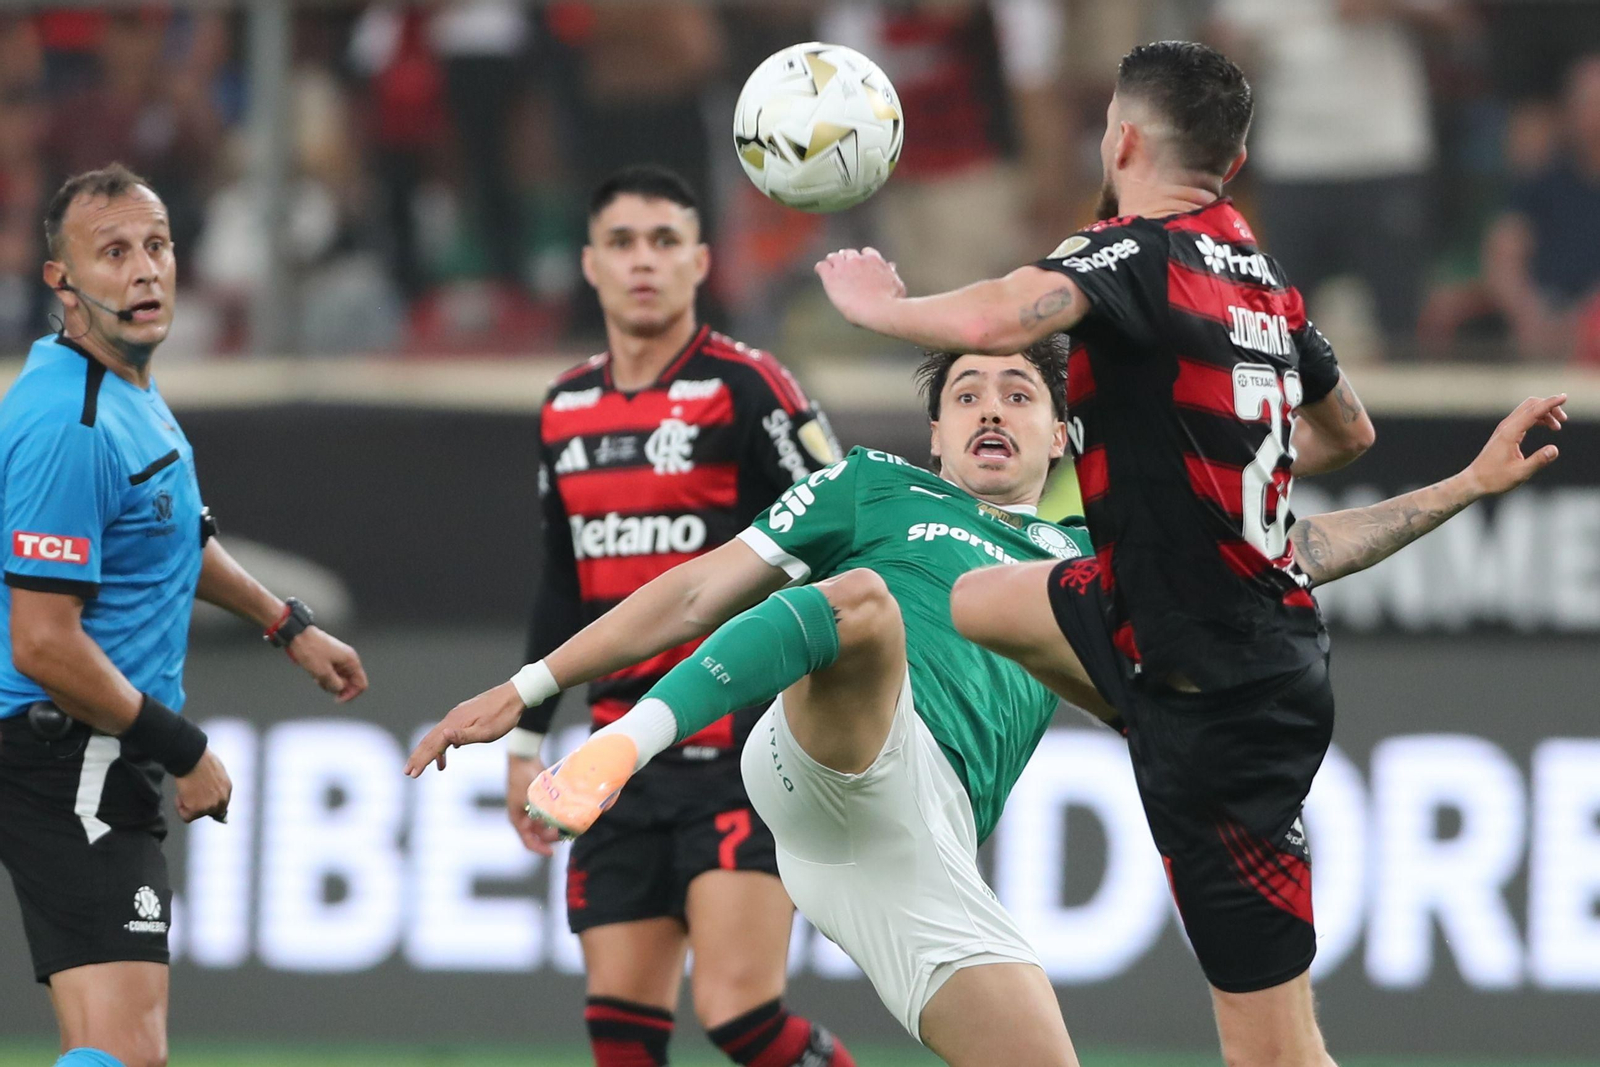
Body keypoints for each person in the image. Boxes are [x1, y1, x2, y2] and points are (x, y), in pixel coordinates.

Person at [808, 37, 1390, 1067]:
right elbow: (1347, 435)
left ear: (1119, 139)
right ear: (1235, 162)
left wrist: (875, 308)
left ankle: (1145, 698)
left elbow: (995, 313)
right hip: (1208, 629)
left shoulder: (1134, 254)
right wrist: (1211, 462)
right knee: (984, 597)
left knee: (1271, 1050)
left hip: (1219, 688)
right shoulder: (1262, 277)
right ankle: (1135, 689)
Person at [412, 338, 1102, 1067]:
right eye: (966, 394)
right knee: (862, 602)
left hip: (917, 850)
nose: (991, 406)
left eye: (1019, 394)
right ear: (935, 432)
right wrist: (527, 689)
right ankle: (620, 748)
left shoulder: (1088, 567)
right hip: (828, 752)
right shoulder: (873, 485)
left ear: (1061, 434)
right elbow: (693, 593)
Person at [0, 164, 367, 1067]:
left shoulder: (126, 389)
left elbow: (174, 537)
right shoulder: (69, 423)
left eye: (156, 247)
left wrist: (286, 624)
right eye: (114, 252)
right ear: (63, 283)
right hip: (66, 753)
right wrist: (184, 746)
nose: (144, 271)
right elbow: (43, 641)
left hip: (85, 748)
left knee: (125, 1048)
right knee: (126, 1052)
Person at [503, 165, 853, 1067]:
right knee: (620, 1035)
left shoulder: (751, 388)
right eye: (622, 243)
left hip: (738, 751)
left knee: (739, 1015)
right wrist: (524, 742)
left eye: (664, 242)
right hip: (616, 758)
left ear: (701, 262)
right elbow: (560, 581)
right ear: (589, 264)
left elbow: (848, 535)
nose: (643, 262)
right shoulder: (564, 406)